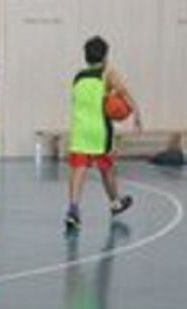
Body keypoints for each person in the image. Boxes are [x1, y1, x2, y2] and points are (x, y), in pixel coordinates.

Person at [65, 35, 142, 231]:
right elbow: (124, 92)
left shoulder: (78, 77)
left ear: (86, 57)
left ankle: (73, 209)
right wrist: (136, 114)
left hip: (80, 129)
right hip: (99, 130)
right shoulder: (107, 73)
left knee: (78, 170)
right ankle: (115, 203)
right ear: (106, 56)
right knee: (106, 168)